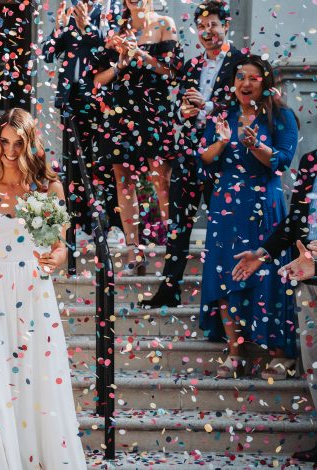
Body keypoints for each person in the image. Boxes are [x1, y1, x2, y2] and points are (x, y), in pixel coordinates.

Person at [0, 108, 86, 469]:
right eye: (4, 142)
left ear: (30, 144)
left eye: (18, 142)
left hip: (34, 294)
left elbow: (60, 246)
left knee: (36, 379)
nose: (10, 150)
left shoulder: (48, 189)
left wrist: (56, 260)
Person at [197, 55, 299, 379]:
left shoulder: (281, 117)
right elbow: (204, 160)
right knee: (227, 276)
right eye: (241, 76)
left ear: (265, 84)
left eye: (253, 78)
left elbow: (281, 161)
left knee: (267, 277)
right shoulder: (221, 116)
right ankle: (236, 351)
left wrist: (256, 147)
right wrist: (223, 142)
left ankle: (275, 351)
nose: (245, 82)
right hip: (226, 208)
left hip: (263, 207)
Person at [140, 0, 246, 308]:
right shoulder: (192, 64)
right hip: (188, 154)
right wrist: (183, 110)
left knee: (223, 223)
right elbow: (180, 105)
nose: (207, 31)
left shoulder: (242, 63)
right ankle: (170, 287)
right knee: (178, 222)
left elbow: (243, 106)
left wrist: (208, 107)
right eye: (201, 26)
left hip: (224, 155)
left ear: (226, 26)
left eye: (213, 24)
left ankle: (225, 290)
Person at [231, 149, 317, 460]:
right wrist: (262, 253)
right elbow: (294, 221)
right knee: (314, 364)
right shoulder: (311, 162)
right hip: (309, 282)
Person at [93, 0, 183, 275]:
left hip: (153, 109)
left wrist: (141, 56)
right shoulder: (114, 30)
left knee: (161, 179)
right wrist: (120, 63)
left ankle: (172, 252)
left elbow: (173, 71)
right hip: (121, 111)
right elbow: (98, 80)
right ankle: (134, 251)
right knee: (124, 182)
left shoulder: (165, 25)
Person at [42, 0, 123, 260]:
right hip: (72, 100)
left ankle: (114, 225)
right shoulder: (69, 7)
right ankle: (81, 225)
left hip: (103, 99)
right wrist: (58, 27)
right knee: (74, 164)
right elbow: (48, 53)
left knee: (107, 164)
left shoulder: (115, 9)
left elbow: (112, 54)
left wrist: (88, 27)